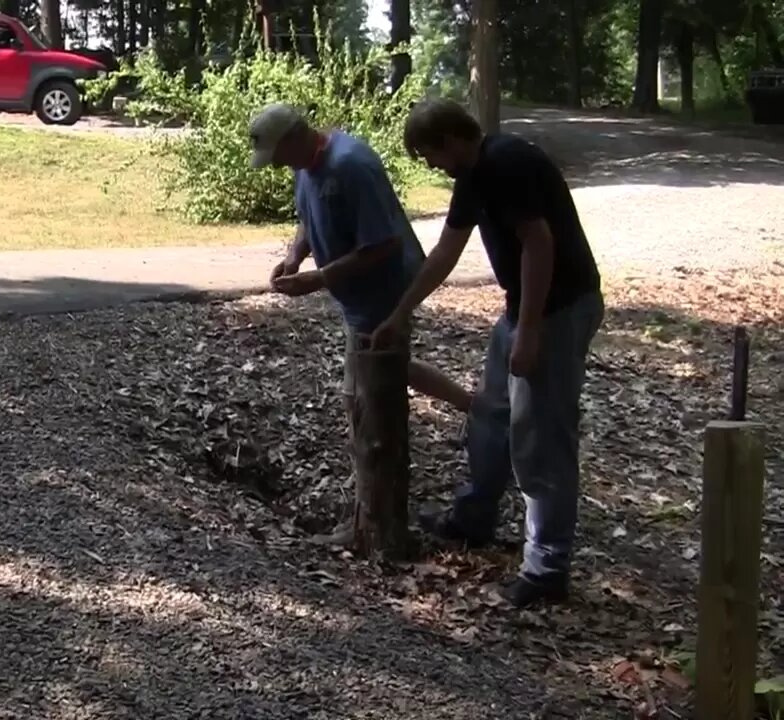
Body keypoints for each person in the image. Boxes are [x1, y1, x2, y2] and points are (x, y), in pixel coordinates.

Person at [372, 98, 604, 609]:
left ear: (451, 140)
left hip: (559, 310)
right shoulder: (473, 175)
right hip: (524, 308)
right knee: (491, 412)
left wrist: (527, 333)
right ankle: (474, 517)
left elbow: (539, 245)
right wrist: (399, 314)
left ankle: (547, 569)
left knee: (541, 438)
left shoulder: (506, 164)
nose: (430, 165)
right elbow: (445, 253)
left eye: (429, 154)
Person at [248, 102, 473, 542]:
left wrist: (321, 278)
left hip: (387, 295)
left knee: (366, 401)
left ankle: (375, 523)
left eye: (278, 156)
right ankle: (475, 407)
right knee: (384, 376)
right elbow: (309, 218)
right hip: (358, 301)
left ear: (296, 137)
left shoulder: (352, 165)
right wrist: (296, 255)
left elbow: (383, 244)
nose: (277, 166)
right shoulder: (305, 166)